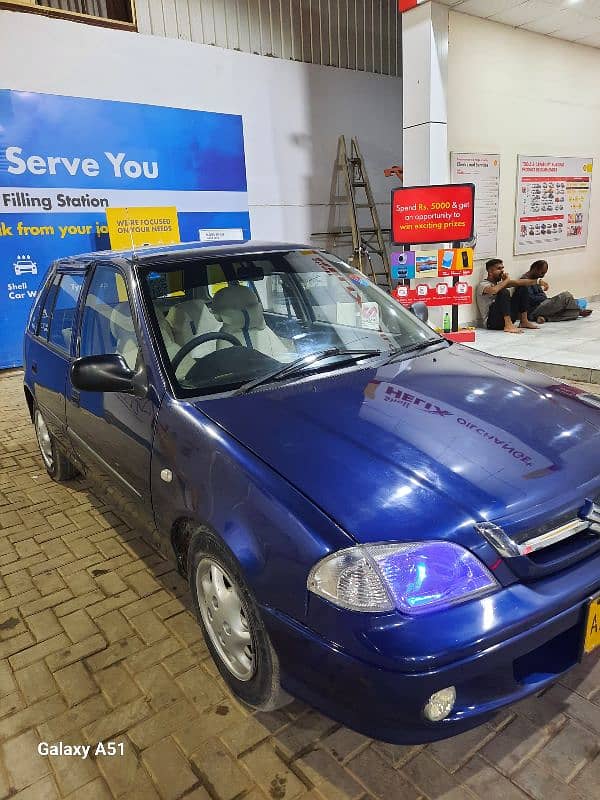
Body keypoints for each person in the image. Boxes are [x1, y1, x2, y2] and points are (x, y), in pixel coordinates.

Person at [477, 259, 544, 334]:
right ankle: (508, 325)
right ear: (490, 272)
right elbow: (494, 290)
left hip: (508, 317)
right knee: (503, 292)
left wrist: (538, 282)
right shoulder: (483, 284)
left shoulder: (500, 283)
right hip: (492, 322)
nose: (502, 271)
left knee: (522, 288)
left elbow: (518, 282)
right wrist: (506, 280)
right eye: (499, 269)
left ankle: (524, 321)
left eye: (502, 268)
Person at [519, 260, 593, 323]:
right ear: (535, 269)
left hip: (541, 304)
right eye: (542, 273)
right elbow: (531, 299)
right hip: (534, 309)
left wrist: (542, 297)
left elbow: (542, 295)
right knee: (566, 295)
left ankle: (545, 318)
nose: (543, 276)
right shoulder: (524, 280)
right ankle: (579, 309)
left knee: (573, 313)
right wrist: (542, 297)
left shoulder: (536, 280)